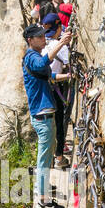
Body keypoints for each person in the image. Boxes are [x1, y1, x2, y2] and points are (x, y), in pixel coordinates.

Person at [22, 23, 68, 208]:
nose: (43, 39)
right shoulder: (32, 57)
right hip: (43, 116)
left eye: (43, 36)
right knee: (43, 160)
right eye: (39, 37)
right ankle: (43, 200)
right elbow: (43, 65)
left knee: (46, 156)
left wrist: (68, 76)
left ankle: (44, 187)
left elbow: (49, 75)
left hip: (43, 115)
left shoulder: (34, 56)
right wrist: (62, 43)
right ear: (30, 40)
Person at [42, 12, 72, 168]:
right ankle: (59, 158)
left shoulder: (42, 44)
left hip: (44, 89)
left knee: (50, 126)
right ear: (59, 27)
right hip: (56, 87)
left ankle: (55, 155)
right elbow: (69, 60)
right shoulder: (58, 46)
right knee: (59, 123)